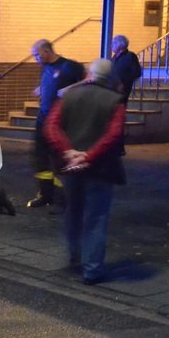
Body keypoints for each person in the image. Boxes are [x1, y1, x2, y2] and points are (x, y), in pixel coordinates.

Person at [43, 58, 126, 285]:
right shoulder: (115, 101)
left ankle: (74, 256)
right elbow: (113, 135)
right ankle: (92, 270)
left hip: (71, 169)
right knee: (96, 218)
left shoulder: (68, 97)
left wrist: (69, 151)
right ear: (110, 78)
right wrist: (88, 156)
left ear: (89, 74)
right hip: (100, 169)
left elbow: (51, 126)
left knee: (73, 212)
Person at [28, 39, 85, 209]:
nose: (36, 58)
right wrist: (41, 88)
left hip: (60, 120)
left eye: (37, 55)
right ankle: (45, 194)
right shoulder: (45, 66)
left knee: (58, 158)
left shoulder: (70, 66)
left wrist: (71, 88)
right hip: (43, 117)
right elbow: (52, 81)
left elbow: (90, 80)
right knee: (39, 154)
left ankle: (64, 197)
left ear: (47, 51)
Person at [111, 34, 142, 105]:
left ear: (120, 45)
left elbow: (137, 72)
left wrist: (124, 81)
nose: (111, 45)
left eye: (114, 43)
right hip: (112, 87)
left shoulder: (130, 56)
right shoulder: (114, 57)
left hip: (123, 88)